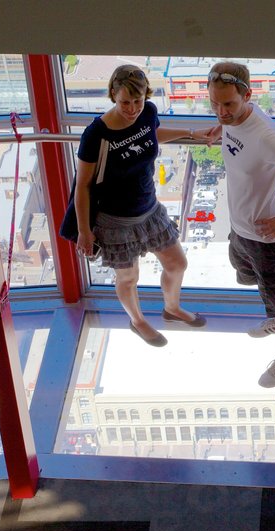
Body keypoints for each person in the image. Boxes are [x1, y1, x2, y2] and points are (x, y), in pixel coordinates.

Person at [196, 61, 275, 388]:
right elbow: (235, 132)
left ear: (248, 96)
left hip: (272, 242)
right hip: (241, 232)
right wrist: (223, 127)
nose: (220, 111)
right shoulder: (231, 121)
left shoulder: (268, 136)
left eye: (228, 105)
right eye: (214, 103)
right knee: (257, 285)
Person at [75, 64, 206, 347]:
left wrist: (194, 134)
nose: (132, 108)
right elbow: (82, 185)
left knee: (177, 263)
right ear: (112, 94)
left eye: (138, 100)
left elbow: (152, 133)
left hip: (150, 210)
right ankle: (138, 321)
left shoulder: (148, 112)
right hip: (115, 220)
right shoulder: (96, 134)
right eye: (125, 102)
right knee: (128, 276)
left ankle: (171, 309)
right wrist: (85, 231)